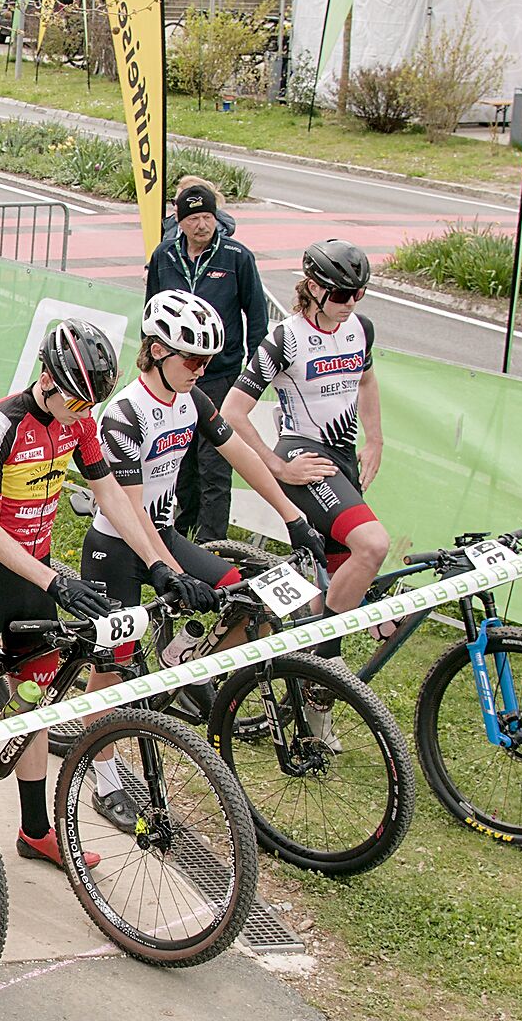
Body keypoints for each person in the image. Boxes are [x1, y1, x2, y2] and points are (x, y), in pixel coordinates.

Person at [71, 292, 327, 832]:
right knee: (110, 671)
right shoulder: (124, 414)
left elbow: (242, 456)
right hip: (117, 546)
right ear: (156, 351)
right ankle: (106, 778)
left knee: (250, 601)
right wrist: (168, 570)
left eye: (207, 360)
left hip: (161, 535)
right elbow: (131, 512)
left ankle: (178, 665)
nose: (200, 369)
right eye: (191, 359)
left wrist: (294, 518)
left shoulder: (192, 400)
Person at [0, 320, 158, 873]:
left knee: (36, 706)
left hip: (34, 580)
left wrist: (157, 564)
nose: (83, 412)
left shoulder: (79, 420)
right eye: (77, 400)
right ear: (48, 379)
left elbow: (111, 494)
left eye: (90, 403)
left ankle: (34, 832)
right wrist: (57, 582)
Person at [222, 238, 388, 650]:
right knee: (372, 546)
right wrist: (277, 466)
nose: (352, 303)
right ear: (314, 288)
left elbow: (366, 380)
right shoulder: (284, 339)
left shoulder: (360, 329)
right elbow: (233, 411)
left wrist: (375, 440)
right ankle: (323, 653)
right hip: (304, 456)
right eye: (343, 295)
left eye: (360, 293)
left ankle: (295, 658)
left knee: (335, 577)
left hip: (343, 458)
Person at [145, 182, 267, 543]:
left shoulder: (237, 256)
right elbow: (152, 310)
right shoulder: (165, 255)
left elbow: (256, 314)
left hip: (219, 374)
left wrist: (255, 370)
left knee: (215, 460)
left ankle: (212, 542)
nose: (202, 225)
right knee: (180, 456)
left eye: (208, 217)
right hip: (174, 372)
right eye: (194, 218)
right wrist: (150, 361)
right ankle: (182, 530)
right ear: (179, 221)